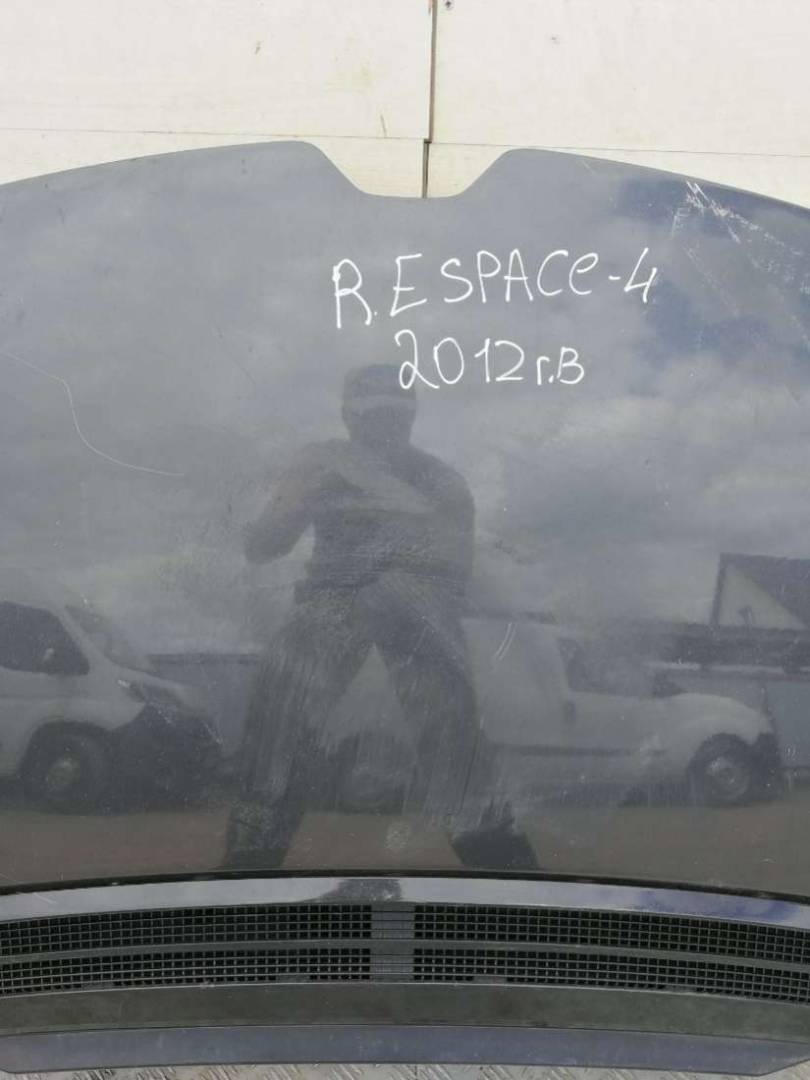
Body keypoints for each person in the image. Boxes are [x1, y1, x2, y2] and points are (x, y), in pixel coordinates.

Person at [225, 363, 536, 870]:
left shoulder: (422, 478)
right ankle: (508, 872)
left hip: (381, 600)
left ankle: (249, 865)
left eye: (391, 415)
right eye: (376, 416)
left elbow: (263, 544)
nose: (383, 427)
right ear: (350, 416)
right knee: (281, 732)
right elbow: (263, 546)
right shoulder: (409, 475)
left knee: (448, 742)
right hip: (369, 601)